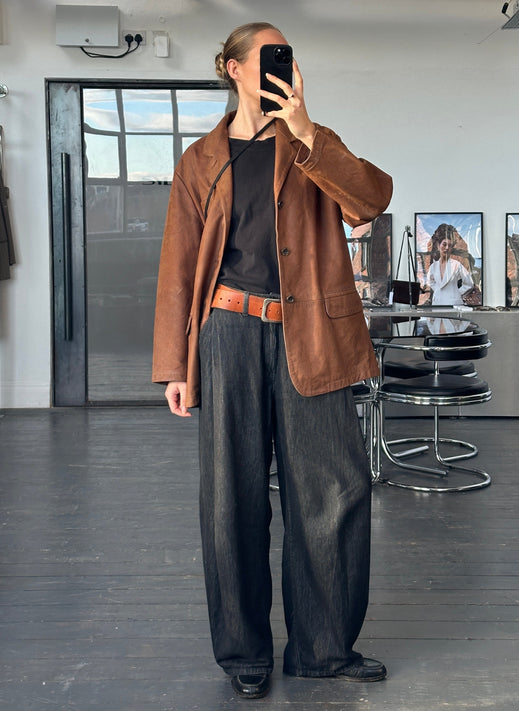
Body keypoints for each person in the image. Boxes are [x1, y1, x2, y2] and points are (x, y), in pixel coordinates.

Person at [152, 22, 393, 700]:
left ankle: (324, 649)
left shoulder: (310, 142)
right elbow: (176, 268)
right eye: (266, 57)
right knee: (231, 498)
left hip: (312, 334)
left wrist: (306, 127)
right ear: (232, 68)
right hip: (227, 333)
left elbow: (370, 200)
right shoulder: (200, 159)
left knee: (335, 491)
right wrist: (175, 365)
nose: (280, 68)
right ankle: (244, 652)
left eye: (286, 57)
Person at [427, 231, 474, 306]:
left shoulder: (457, 265)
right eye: (444, 244)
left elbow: (469, 283)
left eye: (449, 246)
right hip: (437, 302)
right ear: (439, 246)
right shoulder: (433, 266)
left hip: (453, 303)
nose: (447, 248)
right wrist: (437, 290)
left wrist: (457, 293)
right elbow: (430, 281)